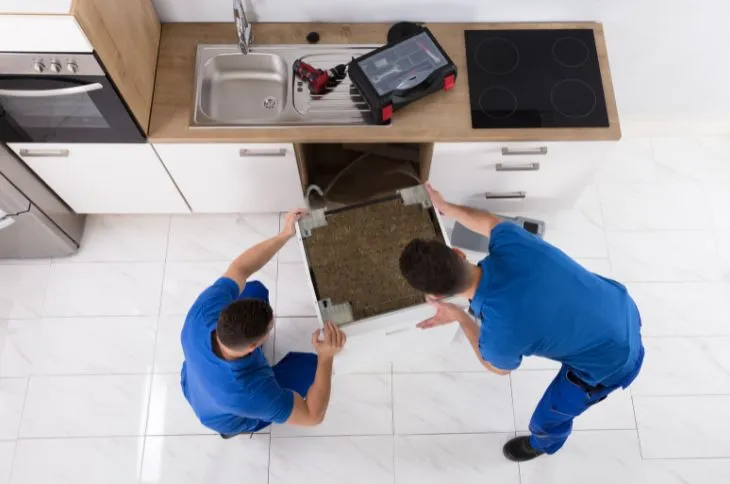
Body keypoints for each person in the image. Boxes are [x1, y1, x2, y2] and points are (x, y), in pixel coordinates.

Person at [398, 184, 644, 462]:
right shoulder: (513, 243)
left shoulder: (501, 334)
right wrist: (448, 208)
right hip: (621, 304)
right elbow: (490, 223)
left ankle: (543, 443)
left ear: (437, 296)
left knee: (548, 417)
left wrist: (459, 316)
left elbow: (498, 368)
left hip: (614, 362)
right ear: (459, 253)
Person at [180, 209, 347, 438]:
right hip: (226, 415)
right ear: (253, 347)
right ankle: (238, 428)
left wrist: (284, 235)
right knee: (313, 367)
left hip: (195, 381)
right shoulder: (252, 392)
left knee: (255, 289)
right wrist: (326, 357)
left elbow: (240, 268)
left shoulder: (200, 316)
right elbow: (313, 415)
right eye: (269, 329)